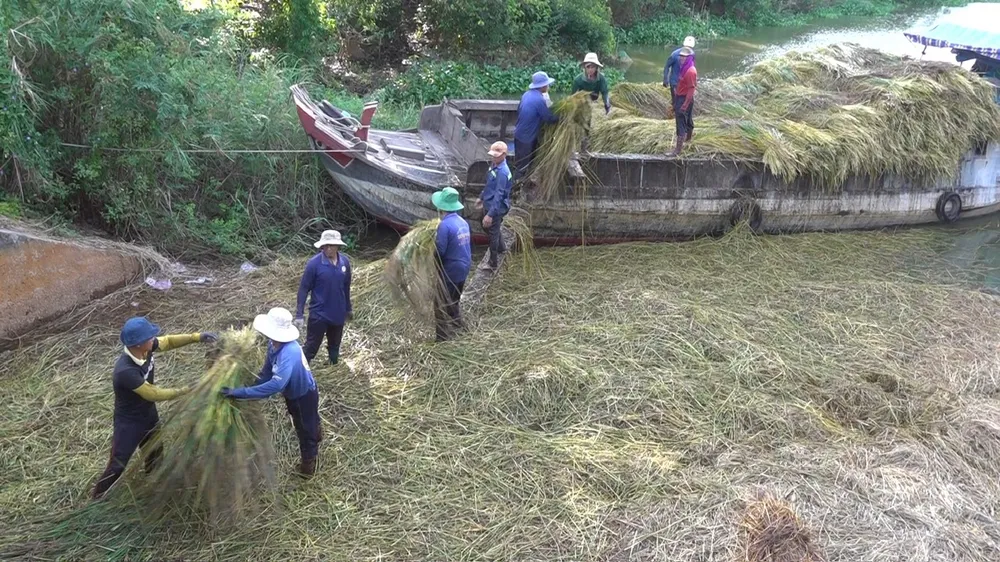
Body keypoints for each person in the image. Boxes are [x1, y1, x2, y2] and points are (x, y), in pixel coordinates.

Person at [92, 318, 217, 499]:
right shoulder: (125, 371)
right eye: (150, 337)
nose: (155, 339)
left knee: (155, 452)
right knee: (118, 463)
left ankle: (153, 483)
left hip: (148, 413)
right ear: (139, 344)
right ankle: (98, 496)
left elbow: (169, 341)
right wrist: (187, 389)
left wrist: (197, 337)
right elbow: (153, 394)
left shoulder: (147, 348)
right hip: (129, 422)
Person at [222, 307, 321, 477]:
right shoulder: (273, 345)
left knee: (304, 429)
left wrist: (242, 392)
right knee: (305, 420)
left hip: (304, 395)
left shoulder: (289, 351)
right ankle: (316, 431)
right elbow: (267, 371)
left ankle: (309, 463)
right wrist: (254, 386)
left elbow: (276, 385)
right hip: (292, 395)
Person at [295, 230, 352, 366]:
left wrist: (348, 309)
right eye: (325, 245)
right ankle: (300, 370)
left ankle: (333, 365)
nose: (328, 248)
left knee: (335, 344)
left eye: (331, 245)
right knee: (311, 346)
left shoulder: (344, 262)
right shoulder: (314, 264)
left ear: (338, 246)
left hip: (338, 311)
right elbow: (303, 289)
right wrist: (299, 314)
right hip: (319, 313)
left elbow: (346, 287)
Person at [432, 187, 472, 341]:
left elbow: (440, 251)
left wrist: (433, 264)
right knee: (454, 298)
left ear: (441, 207)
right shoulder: (463, 222)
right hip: (464, 267)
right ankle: (458, 325)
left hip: (451, 270)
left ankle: (442, 338)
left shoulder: (444, 225)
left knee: (439, 303)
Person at [513, 71, 559, 182]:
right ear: (543, 86)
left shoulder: (526, 95)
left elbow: (518, 110)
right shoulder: (539, 100)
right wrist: (562, 116)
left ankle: (519, 186)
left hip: (518, 134)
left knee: (519, 163)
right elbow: (549, 118)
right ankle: (515, 189)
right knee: (523, 167)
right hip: (527, 138)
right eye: (547, 84)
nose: (548, 86)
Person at [477, 141, 513, 270]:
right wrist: (481, 197)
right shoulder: (494, 165)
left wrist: (490, 215)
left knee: (492, 232)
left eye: (496, 155)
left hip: (496, 207)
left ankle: (492, 263)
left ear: (504, 155)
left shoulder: (503, 172)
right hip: (489, 201)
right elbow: (489, 184)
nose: (493, 157)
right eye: (492, 155)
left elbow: (499, 195)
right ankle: (502, 247)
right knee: (491, 229)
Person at [670, 47, 697, 157]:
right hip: (681, 97)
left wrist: (685, 104)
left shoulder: (690, 71)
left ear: (689, 58)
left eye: (684, 57)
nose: (681, 58)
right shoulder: (685, 68)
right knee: (688, 119)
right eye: (680, 56)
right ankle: (688, 140)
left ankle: (677, 150)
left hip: (685, 98)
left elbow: (691, 88)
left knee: (680, 122)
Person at [663, 36, 696, 104]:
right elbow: (667, 66)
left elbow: (692, 68)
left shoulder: (692, 54)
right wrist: (665, 79)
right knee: (676, 102)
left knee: (685, 102)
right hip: (675, 83)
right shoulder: (675, 55)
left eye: (689, 48)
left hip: (685, 83)